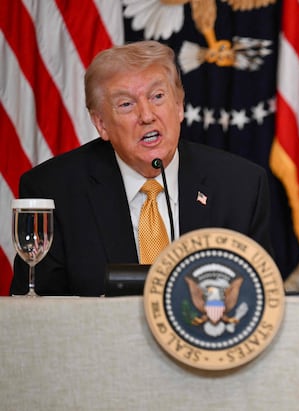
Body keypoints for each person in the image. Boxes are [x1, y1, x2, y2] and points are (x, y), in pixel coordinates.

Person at [11, 41, 273, 296]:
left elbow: (260, 299)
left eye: (157, 96)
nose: (147, 116)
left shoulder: (242, 186)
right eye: (126, 104)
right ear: (101, 124)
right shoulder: (54, 191)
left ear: (179, 106)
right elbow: (35, 314)